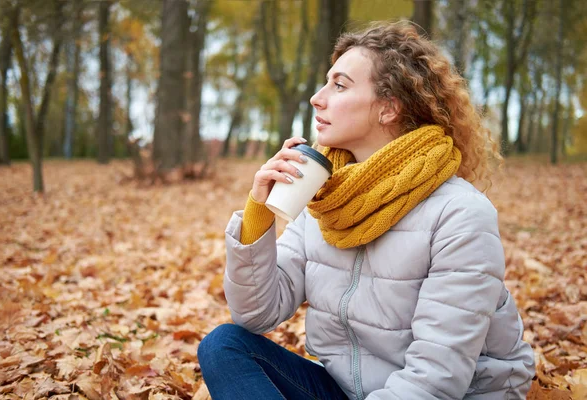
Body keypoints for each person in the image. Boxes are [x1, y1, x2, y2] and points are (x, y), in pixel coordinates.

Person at [197, 21, 535, 400]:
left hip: (449, 395)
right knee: (224, 345)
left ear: (388, 108)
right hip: (347, 389)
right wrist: (259, 212)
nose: (317, 98)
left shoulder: (459, 213)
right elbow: (256, 314)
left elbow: (436, 378)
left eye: (339, 85)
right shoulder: (327, 198)